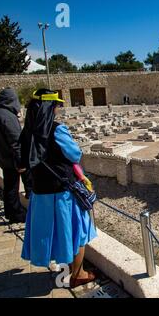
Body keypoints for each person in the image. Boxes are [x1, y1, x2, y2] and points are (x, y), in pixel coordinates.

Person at [20, 89, 97, 288]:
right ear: (50, 107)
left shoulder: (26, 133)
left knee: (54, 234)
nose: (58, 109)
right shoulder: (56, 129)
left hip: (40, 193)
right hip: (62, 194)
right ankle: (77, 274)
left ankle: (65, 271)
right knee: (76, 233)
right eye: (57, 105)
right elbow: (74, 155)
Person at [0, 88, 32, 224]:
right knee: (13, 187)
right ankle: (16, 214)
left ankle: (10, 211)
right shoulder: (7, 116)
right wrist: (21, 163)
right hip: (12, 159)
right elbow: (16, 141)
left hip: (0, 156)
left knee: (9, 186)